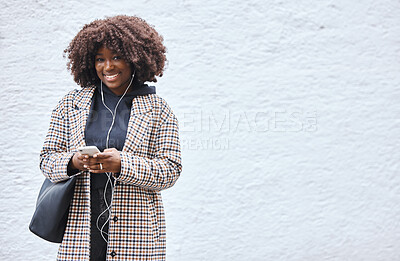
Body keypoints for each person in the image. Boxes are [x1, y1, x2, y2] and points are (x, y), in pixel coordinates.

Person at [39, 15, 182, 261]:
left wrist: (122, 164)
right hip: (81, 228)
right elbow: (46, 160)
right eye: (99, 59)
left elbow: (170, 170)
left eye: (116, 57)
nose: (108, 67)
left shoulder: (158, 109)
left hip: (136, 232)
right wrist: (74, 162)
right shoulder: (70, 105)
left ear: (136, 56)